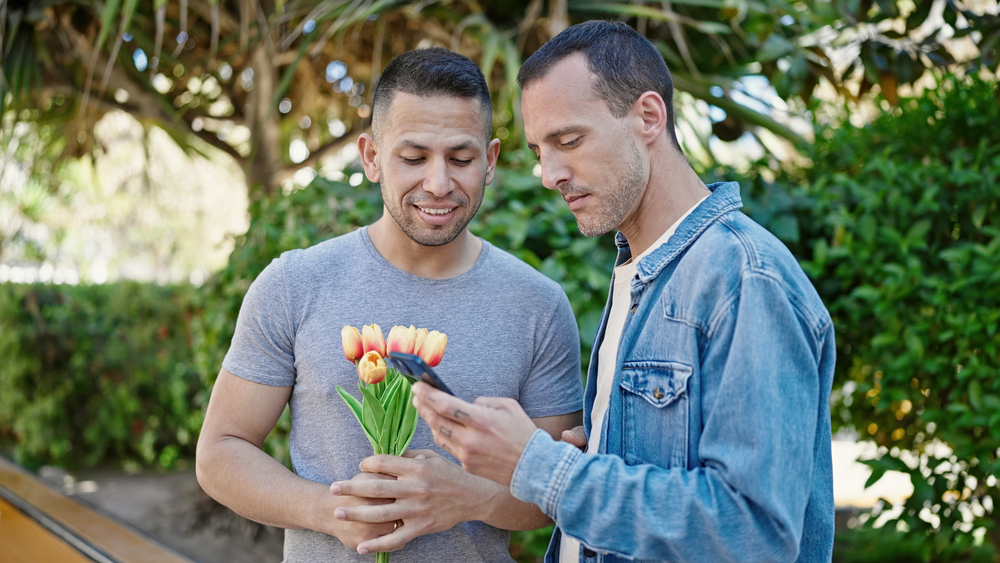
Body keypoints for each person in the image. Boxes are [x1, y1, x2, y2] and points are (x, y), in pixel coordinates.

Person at [411, 21, 836, 563]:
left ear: (648, 117)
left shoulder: (743, 278)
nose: (549, 173)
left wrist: (541, 466)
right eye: (541, 149)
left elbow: (754, 532)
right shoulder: (639, 270)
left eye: (569, 141)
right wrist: (599, 459)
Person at [196, 47, 584, 562]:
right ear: (372, 157)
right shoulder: (294, 284)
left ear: (490, 161)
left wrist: (470, 499)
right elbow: (221, 452)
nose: (439, 183)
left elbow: (556, 495)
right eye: (414, 157)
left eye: (461, 158)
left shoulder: (538, 305)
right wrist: (329, 512)